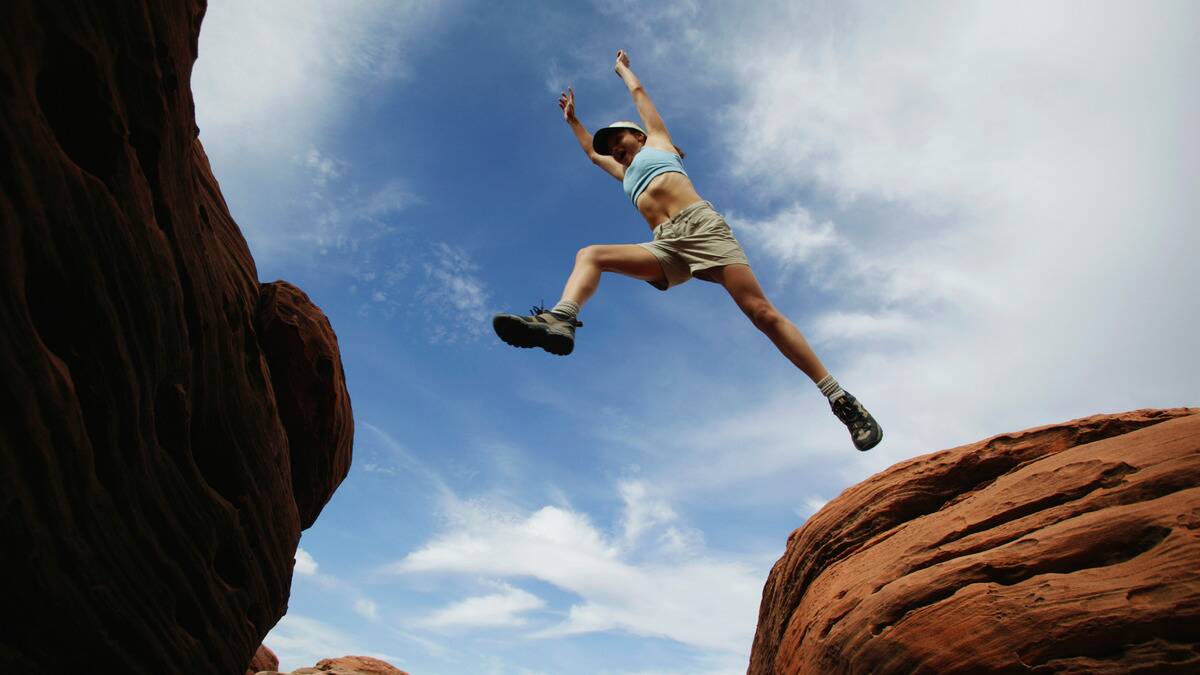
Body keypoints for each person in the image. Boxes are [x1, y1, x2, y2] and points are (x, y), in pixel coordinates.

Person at [492, 50, 882, 451]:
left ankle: (840, 398)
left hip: (701, 228)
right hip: (666, 245)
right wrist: (574, 121)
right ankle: (561, 320)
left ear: (640, 136)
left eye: (618, 140)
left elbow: (641, 95)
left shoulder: (659, 144)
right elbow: (593, 155)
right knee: (590, 254)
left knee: (761, 313)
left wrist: (623, 70)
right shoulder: (624, 173)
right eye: (611, 148)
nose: (614, 149)